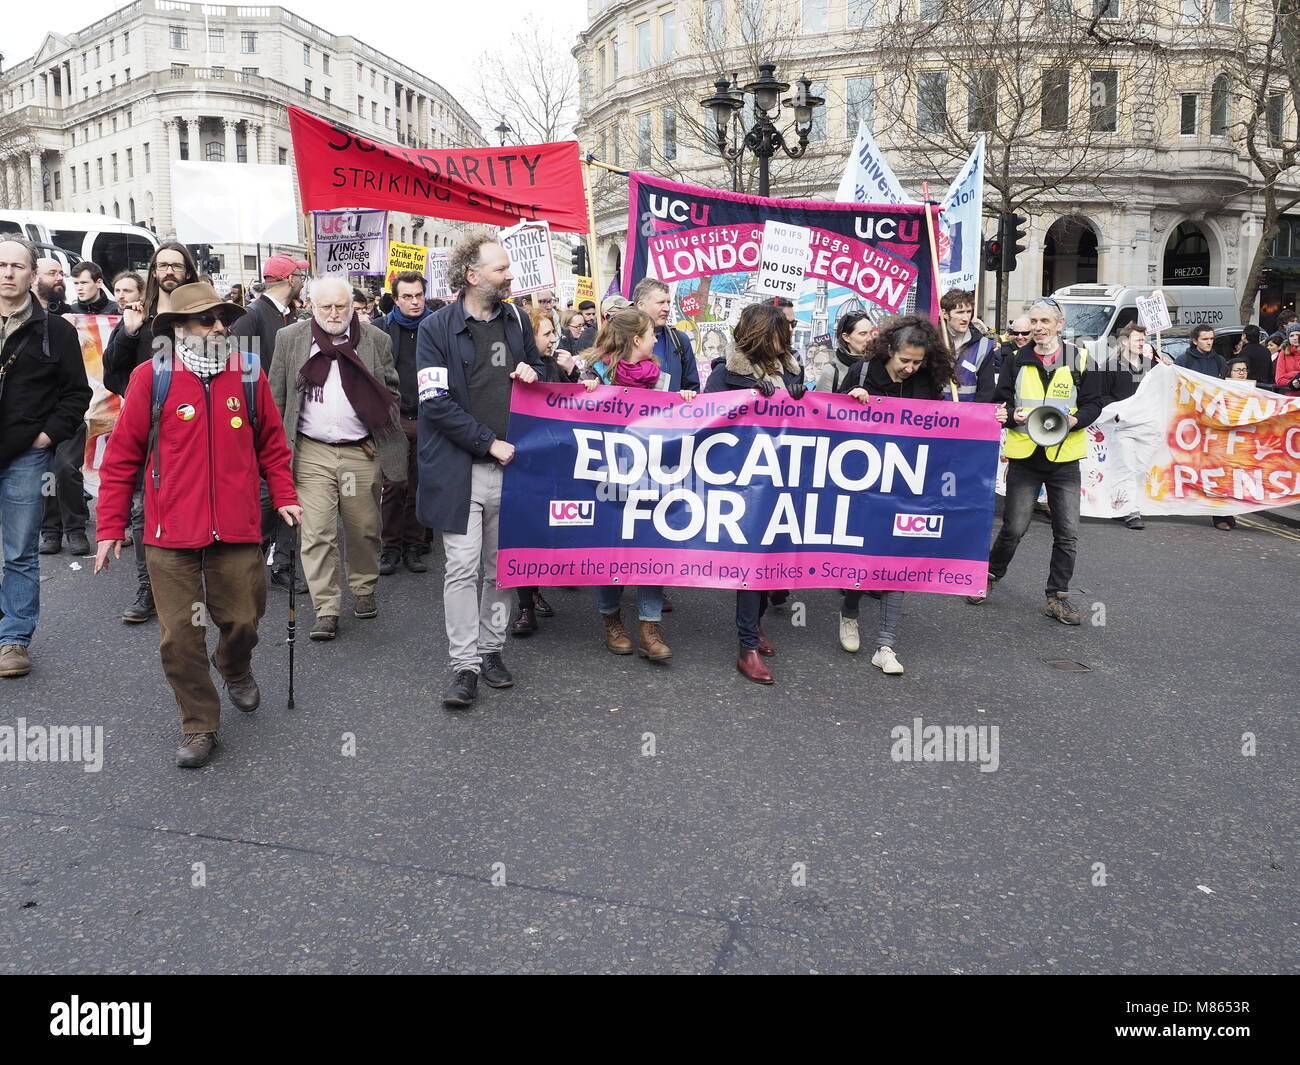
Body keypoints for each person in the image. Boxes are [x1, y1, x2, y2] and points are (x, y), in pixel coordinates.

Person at [94, 281, 301, 767]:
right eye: (207, 320)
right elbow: (122, 458)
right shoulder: (151, 377)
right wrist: (109, 527)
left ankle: (234, 665)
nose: (219, 327)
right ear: (179, 329)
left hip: (237, 527)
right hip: (170, 535)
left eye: (222, 319)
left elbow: (272, 444)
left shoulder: (249, 373)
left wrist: (286, 496)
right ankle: (199, 724)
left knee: (244, 620)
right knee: (180, 638)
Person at [415, 230, 543, 710]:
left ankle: (492, 651)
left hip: (513, 471)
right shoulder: (435, 329)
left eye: (508, 267)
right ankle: (464, 665)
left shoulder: (514, 320)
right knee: (463, 568)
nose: (510, 275)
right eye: (500, 269)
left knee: (499, 570)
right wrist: (489, 443)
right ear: (472, 277)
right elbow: (435, 405)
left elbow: (537, 373)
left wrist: (535, 371)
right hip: (460, 469)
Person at [268, 275, 405, 642]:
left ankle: (363, 588)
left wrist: (378, 432)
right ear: (311, 306)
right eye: (325, 306)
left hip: (360, 450)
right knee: (317, 533)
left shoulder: (376, 340)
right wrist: (277, 452)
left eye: (340, 306)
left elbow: (391, 392)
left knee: (362, 527)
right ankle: (326, 609)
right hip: (311, 451)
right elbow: (276, 397)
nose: (333, 313)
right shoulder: (290, 339)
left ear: (352, 307)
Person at [837, 316, 966, 675]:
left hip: (908, 484)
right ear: (889, 351)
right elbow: (829, 421)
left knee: (898, 561)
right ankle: (849, 612)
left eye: (917, 362)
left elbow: (944, 424)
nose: (910, 368)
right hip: (864, 483)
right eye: (904, 361)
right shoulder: (863, 373)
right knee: (863, 557)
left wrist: (981, 418)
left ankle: (885, 644)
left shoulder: (927, 381)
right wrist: (851, 400)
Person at [967, 297, 1106, 625]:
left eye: (1045, 322)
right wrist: (1009, 416)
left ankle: (1057, 596)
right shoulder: (1017, 359)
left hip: (1064, 457)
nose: (1039, 328)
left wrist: (1074, 421)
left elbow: (1094, 403)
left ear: (1060, 324)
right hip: (1025, 455)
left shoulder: (1081, 359)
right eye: (1035, 322)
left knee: (1068, 532)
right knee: (1014, 527)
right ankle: (989, 575)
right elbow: (1000, 402)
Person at [0, 237, 92, 679]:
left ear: (31, 273)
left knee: (19, 552)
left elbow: (78, 394)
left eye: (17, 266)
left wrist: (45, 437)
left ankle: (13, 639)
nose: (8, 273)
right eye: (1, 265)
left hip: (24, 456)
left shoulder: (56, 331)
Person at [702, 303, 807, 684]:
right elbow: (706, 422)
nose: (788, 337)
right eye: (782, 331)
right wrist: (747, 396)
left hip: (783, 482)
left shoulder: (792, 369)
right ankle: (747, 647)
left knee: (771, 562)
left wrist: (799, 398)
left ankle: (757, 624)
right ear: (763, 334)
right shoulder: (725, 374)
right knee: (752, 564)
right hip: (744, 484)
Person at [574, 308, 685, 659]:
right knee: (611, 550)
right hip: (607, 478)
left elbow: (671, 421)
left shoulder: (661, 378)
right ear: (637, 340)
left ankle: (650, 629)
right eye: (652, 334)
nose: (657, 339)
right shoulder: (596, 375)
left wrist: (685, 404)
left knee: (652, 548)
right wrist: (584, 393)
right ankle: (612, 621)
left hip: (650, 476)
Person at [101, 241, 203, 622]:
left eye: (177, 265)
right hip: (151, 429)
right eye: (163, 266)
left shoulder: (204, 315)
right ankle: (149, 587)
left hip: (198, 428)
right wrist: (128, 334)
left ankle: (202, 580)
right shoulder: (137, 317)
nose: (169, 272)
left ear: (188, 271)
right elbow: (112, 373)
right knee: (145, 511)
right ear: (153, 272)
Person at [230, 254, 310, 594]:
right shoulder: (251, 316)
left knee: (289, 494)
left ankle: (284, 565)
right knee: (266, 498)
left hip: (291, 423)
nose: (304, 281)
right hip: (261, 422)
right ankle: (250, 559)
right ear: (290, 279)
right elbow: (243, 372)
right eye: (301, 276)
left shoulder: (289, 315)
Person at [511, 305, 581, 637]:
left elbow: (579, 408)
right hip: (524, 465)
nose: (554, 339)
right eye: (547, 333)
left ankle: (537, 586)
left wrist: (575, 375)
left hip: (556, 466)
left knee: (548, 530)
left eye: (555, 332)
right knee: (525, 532)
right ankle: (525, 606)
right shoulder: (518, 370)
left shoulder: (557, 367)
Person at [378, 270, 435, 576]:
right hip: (394, 418)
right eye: (407, 297)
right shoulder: (381, 330)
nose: (414, 302)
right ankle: (389, 548)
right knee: (394, 484)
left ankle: (414, 546)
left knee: (419, 486)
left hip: (428, 417)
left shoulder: (437, 326)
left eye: (418, 295)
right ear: (395, 299)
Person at [34, 258, 92, 558]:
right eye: (52, 273)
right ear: (35, 278)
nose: (60, 278)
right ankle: (50, 530)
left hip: (67, 413)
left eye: (61, 273)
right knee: (44, 474)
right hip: (33, 415)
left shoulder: (67, 316)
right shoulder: (21, 318)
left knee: (65, 469)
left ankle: (75, 529)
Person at [1101, 323, 1164, 531]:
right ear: (1125, 342)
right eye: (1138, 339)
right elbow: (1102, 395)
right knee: (1127, 466)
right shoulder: (1110, 366)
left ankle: (1122, 504)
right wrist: (1117, 413)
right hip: (1123, 427)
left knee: (1139, 469)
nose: (1142, 343)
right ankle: (1131, 511)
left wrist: (1166, 370)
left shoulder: (1152, 366)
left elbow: (1162, 390)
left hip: (1146, 426)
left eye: (1144, 340)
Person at [632, 278, 699, 393]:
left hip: (672, 410)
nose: (667, 308)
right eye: (660, 303)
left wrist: (688, 396)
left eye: (668, 302)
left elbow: (692, 387)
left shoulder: (680, 340)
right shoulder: (620, 338)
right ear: (641, 305)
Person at [939, 288, 998, 402]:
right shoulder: (933, 342)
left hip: (968, 416)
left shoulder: (984, 346)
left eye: (968, 312)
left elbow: (986, 392)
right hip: (938, 416)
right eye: (960, 312)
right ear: (945, 314)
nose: (966, 318)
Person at [817, 311, 873, 393]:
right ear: (846, 337)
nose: (869, 339)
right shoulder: (831, 371)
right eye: (863, 334)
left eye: (870, 333)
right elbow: (821, 404)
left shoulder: (878, 366)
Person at [1274, 324, 1300, 396]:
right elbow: (1279, 380)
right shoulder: (1283, 353)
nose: (1295, 338)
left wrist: (1288, 375)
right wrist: (1294, 379)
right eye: (1291, 335)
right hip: (1290, 397)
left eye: (1297, 334)